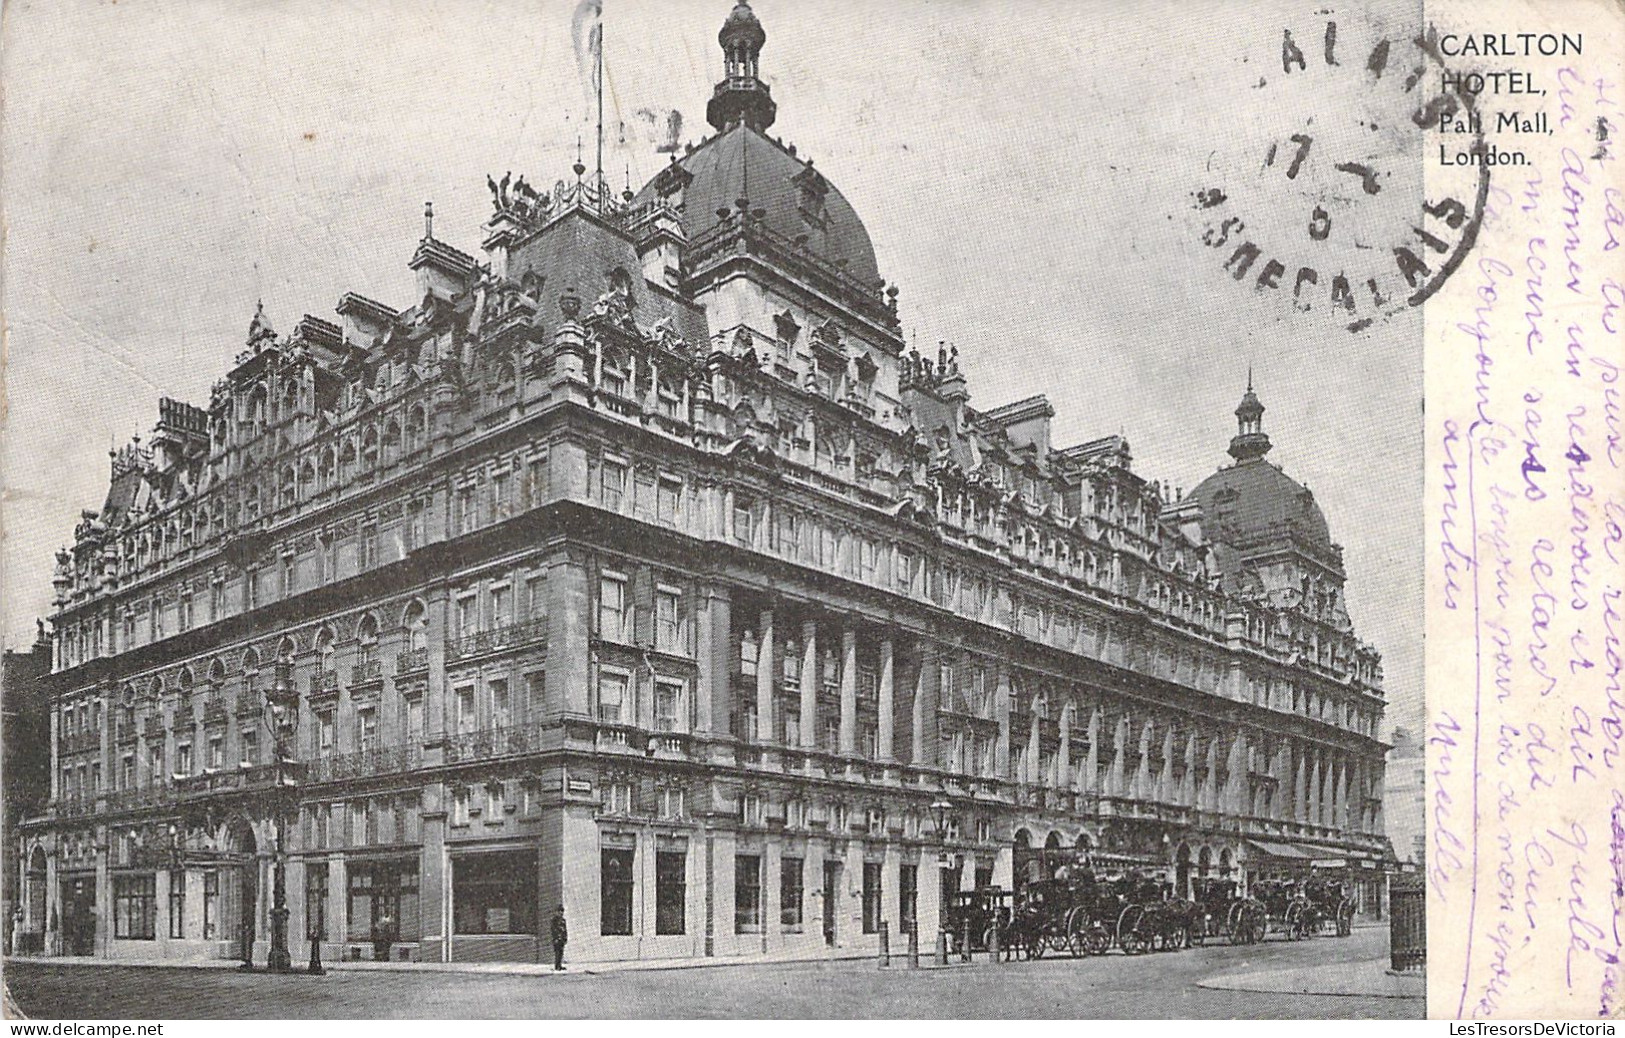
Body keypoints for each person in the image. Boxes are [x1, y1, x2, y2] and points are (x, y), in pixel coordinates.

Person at [549, 904, 568, 971]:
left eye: (562, 911)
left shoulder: (563, 920)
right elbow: (553, 930)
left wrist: (565, 937)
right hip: (557, 939)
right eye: (559, 911)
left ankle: (559, 965)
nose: (561, 913)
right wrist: (556, 938)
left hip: (562, 938)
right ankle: (557, 966)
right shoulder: (554, 920)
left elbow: (565, 930)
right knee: (557, 952)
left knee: (561, 952)